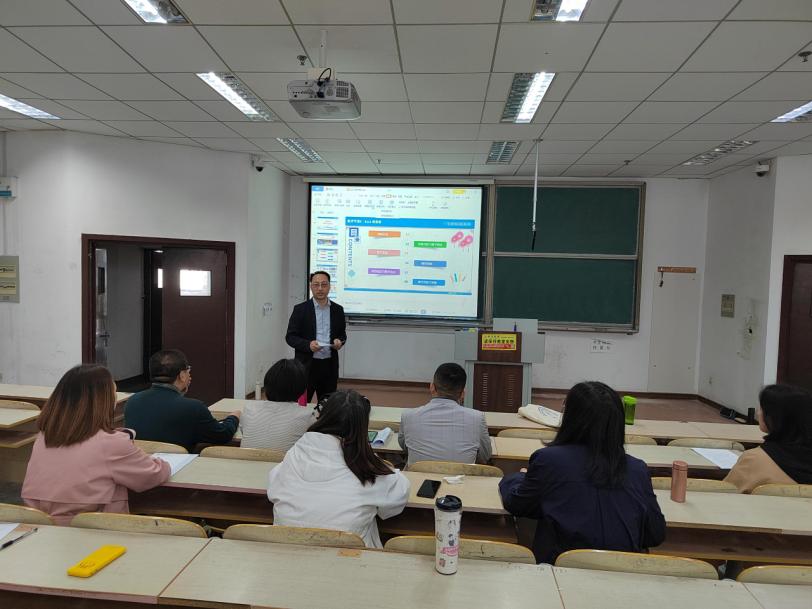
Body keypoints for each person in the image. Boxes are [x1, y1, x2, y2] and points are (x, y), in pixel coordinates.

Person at [499, 381, 666, 564]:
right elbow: (655, 533)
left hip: (559, 572)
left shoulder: (549, 461)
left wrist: (517, 477)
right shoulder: (637, 469)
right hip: (621, 573)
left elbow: (517, 503)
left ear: (570, 418)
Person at [22, 364, 170, 525]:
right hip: (91, 529)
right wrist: (163, 463)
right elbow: (153, 475)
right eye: (114, 393)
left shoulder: (44, 437)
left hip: (39, 524)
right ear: (104, 401)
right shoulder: (111, 444)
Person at [267, 390, 410, 548]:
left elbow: (273, 486)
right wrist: (377, 461)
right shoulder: (366, 468)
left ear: (324, 416)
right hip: (349, 558)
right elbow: (399, 495)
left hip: (285, 554)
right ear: (362, 427)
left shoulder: (296, 453)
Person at [124, 349, 240, 453]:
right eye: (188, 370)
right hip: (177, 465)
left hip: (142, 463)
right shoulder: (194, 408)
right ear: (182, 375)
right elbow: (223, 435)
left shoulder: (132, 402)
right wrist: (233, 418)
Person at [398, 362, 491, 466]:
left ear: (432, 387)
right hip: (461, 476)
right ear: (463, 394)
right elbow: (485, 456)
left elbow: (406, 447)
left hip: (418, 476)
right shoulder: (477, 418)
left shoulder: (408, 416)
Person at [725, 384, 812, 493]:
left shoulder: (754, 460)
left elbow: (723, 492)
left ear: (774, 417)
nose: (758, 413)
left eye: (762, 409)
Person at [285, 271, 347, 403]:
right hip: (306, 366)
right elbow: (290, 337)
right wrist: (308, 345)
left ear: (330, 286)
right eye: (316, 284)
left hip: (329, 366)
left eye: (324, 285)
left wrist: (340, 341)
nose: (320, 288)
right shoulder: (300, 309)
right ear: (311, 286)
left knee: (327, 405)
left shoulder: (338, 310)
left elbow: (342, 335)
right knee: (301, 404)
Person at [240, 358, 317, 451]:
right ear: (301, 388)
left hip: (245, 459)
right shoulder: (307, 416)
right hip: (285, 460)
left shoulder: (249, 409)